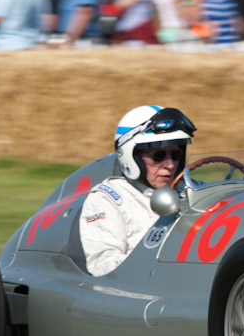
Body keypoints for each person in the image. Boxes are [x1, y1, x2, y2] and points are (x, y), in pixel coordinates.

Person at [80, 105, 196, 276]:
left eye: (176, 155)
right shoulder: (109, 198)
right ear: (131, 157)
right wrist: (160, 266)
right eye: (158, 156)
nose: (170, 164)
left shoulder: (192, 189)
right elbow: (102, 265)